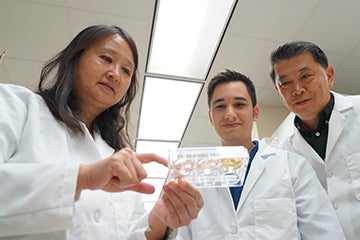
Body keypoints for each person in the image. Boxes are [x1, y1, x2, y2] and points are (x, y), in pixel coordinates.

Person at [0, 24, 203, 240]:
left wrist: (161, 218)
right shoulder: (18, 106)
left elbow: (129, 234)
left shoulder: (118, 155)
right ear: (74, 59)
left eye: (126, 71)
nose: (115, 74)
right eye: (106, 58)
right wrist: (83, 178)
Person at [176, 69, 345, 239]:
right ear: (211, 117)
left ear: (255, 113)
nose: (229, 114)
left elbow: (325, 232)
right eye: (220, 106)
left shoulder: (292, 166)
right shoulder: (193, 181)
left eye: (239, 104)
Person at [269, 40, 360, 240]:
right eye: (286, 83)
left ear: (329, 75)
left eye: (306, 76)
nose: (297, 89)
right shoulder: (284, 155)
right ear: (278, 91)